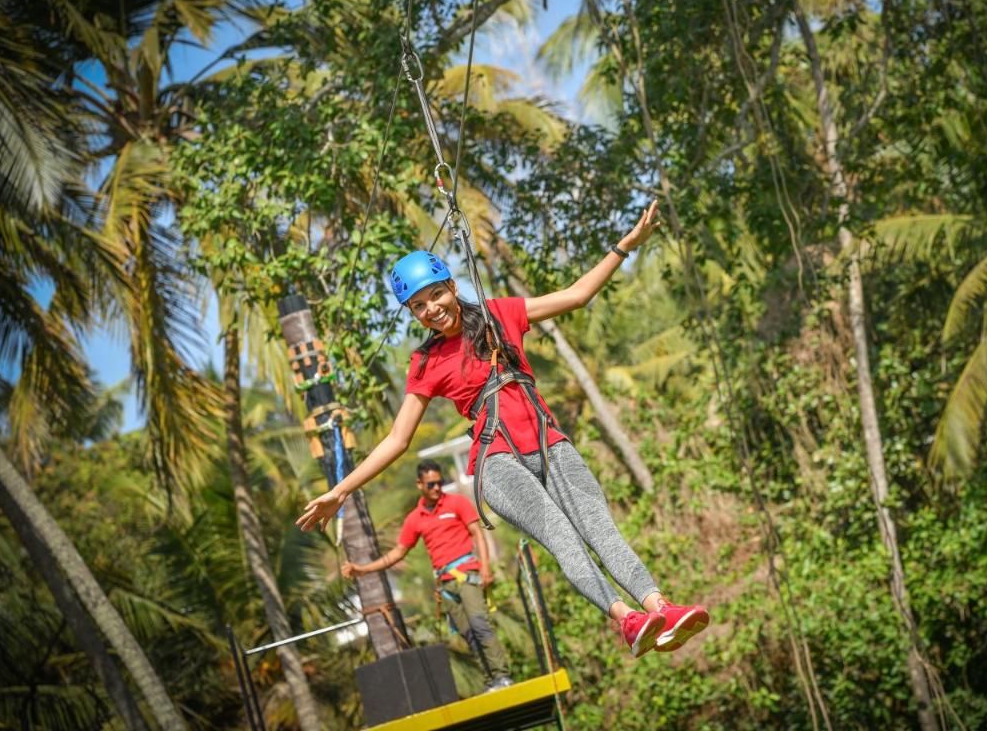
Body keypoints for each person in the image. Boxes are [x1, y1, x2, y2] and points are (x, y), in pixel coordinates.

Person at [298, 200, 709, 658]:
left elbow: (575, 296)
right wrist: (341, 491)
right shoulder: (426, 362)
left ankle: (659, 607)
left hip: (550, 443)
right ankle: (627, 620)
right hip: (497, 462)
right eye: (418, 306)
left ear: (452, 287)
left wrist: (624, 246)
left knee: (601, 528)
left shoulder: (500, 314)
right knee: (562, 535)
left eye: (435, 295)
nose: (431, 309)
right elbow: (397, 440)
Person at [340, 460, 514, 690]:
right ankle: (490, 680)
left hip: (466, 575)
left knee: (480, 624)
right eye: (431, 484)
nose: (437, 488)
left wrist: (485, 568)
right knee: (468, 634)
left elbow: (477, 533)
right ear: (419, 484)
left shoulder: (456, 503)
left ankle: (502, 675)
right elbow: (398, 553)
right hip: (446, 584)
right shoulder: (415, 518)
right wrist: (362, 569)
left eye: (439, 483)